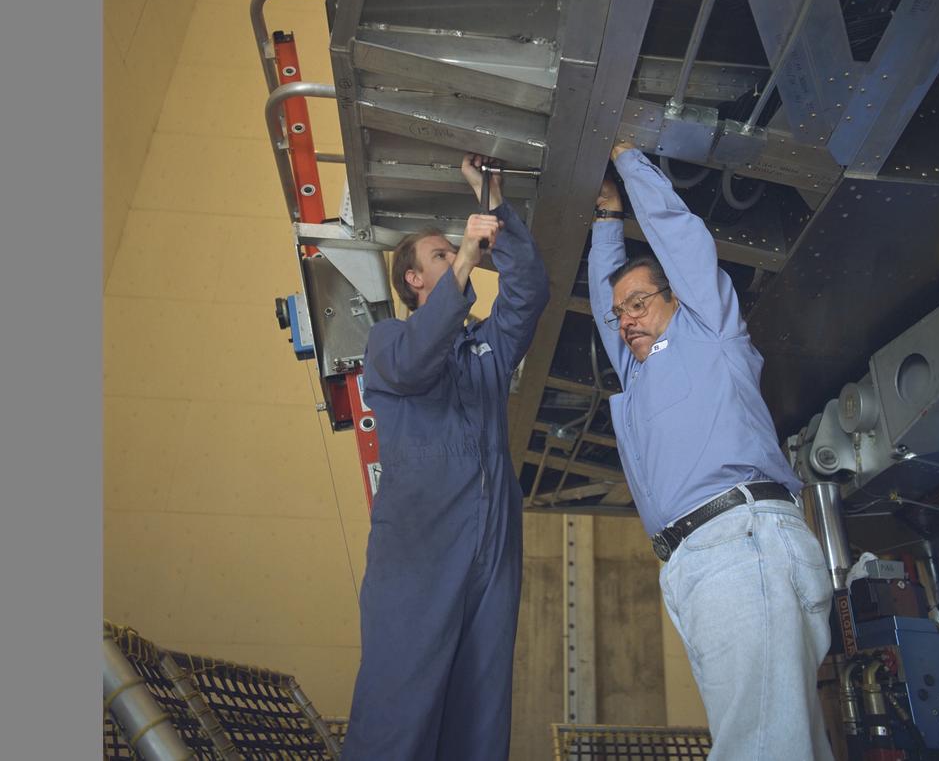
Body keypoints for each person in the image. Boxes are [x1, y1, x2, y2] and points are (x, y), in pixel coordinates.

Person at [589, 142, 834, 761]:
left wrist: (628, 161)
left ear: (675, 300)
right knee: (778, 741)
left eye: (640, 304)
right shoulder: (637, 372)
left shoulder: (709, 330)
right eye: (622, 314)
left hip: (741, 543)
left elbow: (682, 240)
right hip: (702, 564)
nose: (627, 320)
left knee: (761, 747)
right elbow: (602, 303)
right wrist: (605, 224)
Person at [339, 153, 550, 761]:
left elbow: (529, 292)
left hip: (491, 546)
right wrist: (463, 257)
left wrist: (492, 205)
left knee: (480, 711)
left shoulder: (485, 347)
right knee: (400, 701)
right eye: (439, 255)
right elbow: (413, 363)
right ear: (413, 280)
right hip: (420, 549)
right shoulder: (388, 342)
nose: (457, 255)